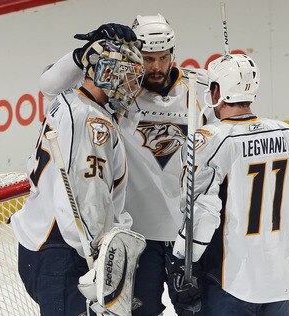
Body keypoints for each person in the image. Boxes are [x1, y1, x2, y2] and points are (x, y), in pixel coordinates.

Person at [38, 15, 214, 315]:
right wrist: (83, 54)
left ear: (174, 53)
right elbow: (49, 85)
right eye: (147, 59)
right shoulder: (118, 94)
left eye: (163, 57)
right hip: (137, 239)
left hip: (189, 235)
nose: (156, 67)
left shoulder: (201, 88)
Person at [171, 53, 289, 316]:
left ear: (217, 91)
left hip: (231, 281)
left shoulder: (211, 140)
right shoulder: (287, 134)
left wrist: (183, 260)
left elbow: (203, 212)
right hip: (281, 279)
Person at [11, 36, 145, 315]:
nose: (133, 87)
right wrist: (99, 263)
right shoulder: (92, 121)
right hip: (64, 253)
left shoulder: (66, 100)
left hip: (42, 248)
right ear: (108, 73)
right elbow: (87, 198)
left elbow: (49, 81)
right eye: (129, 76)